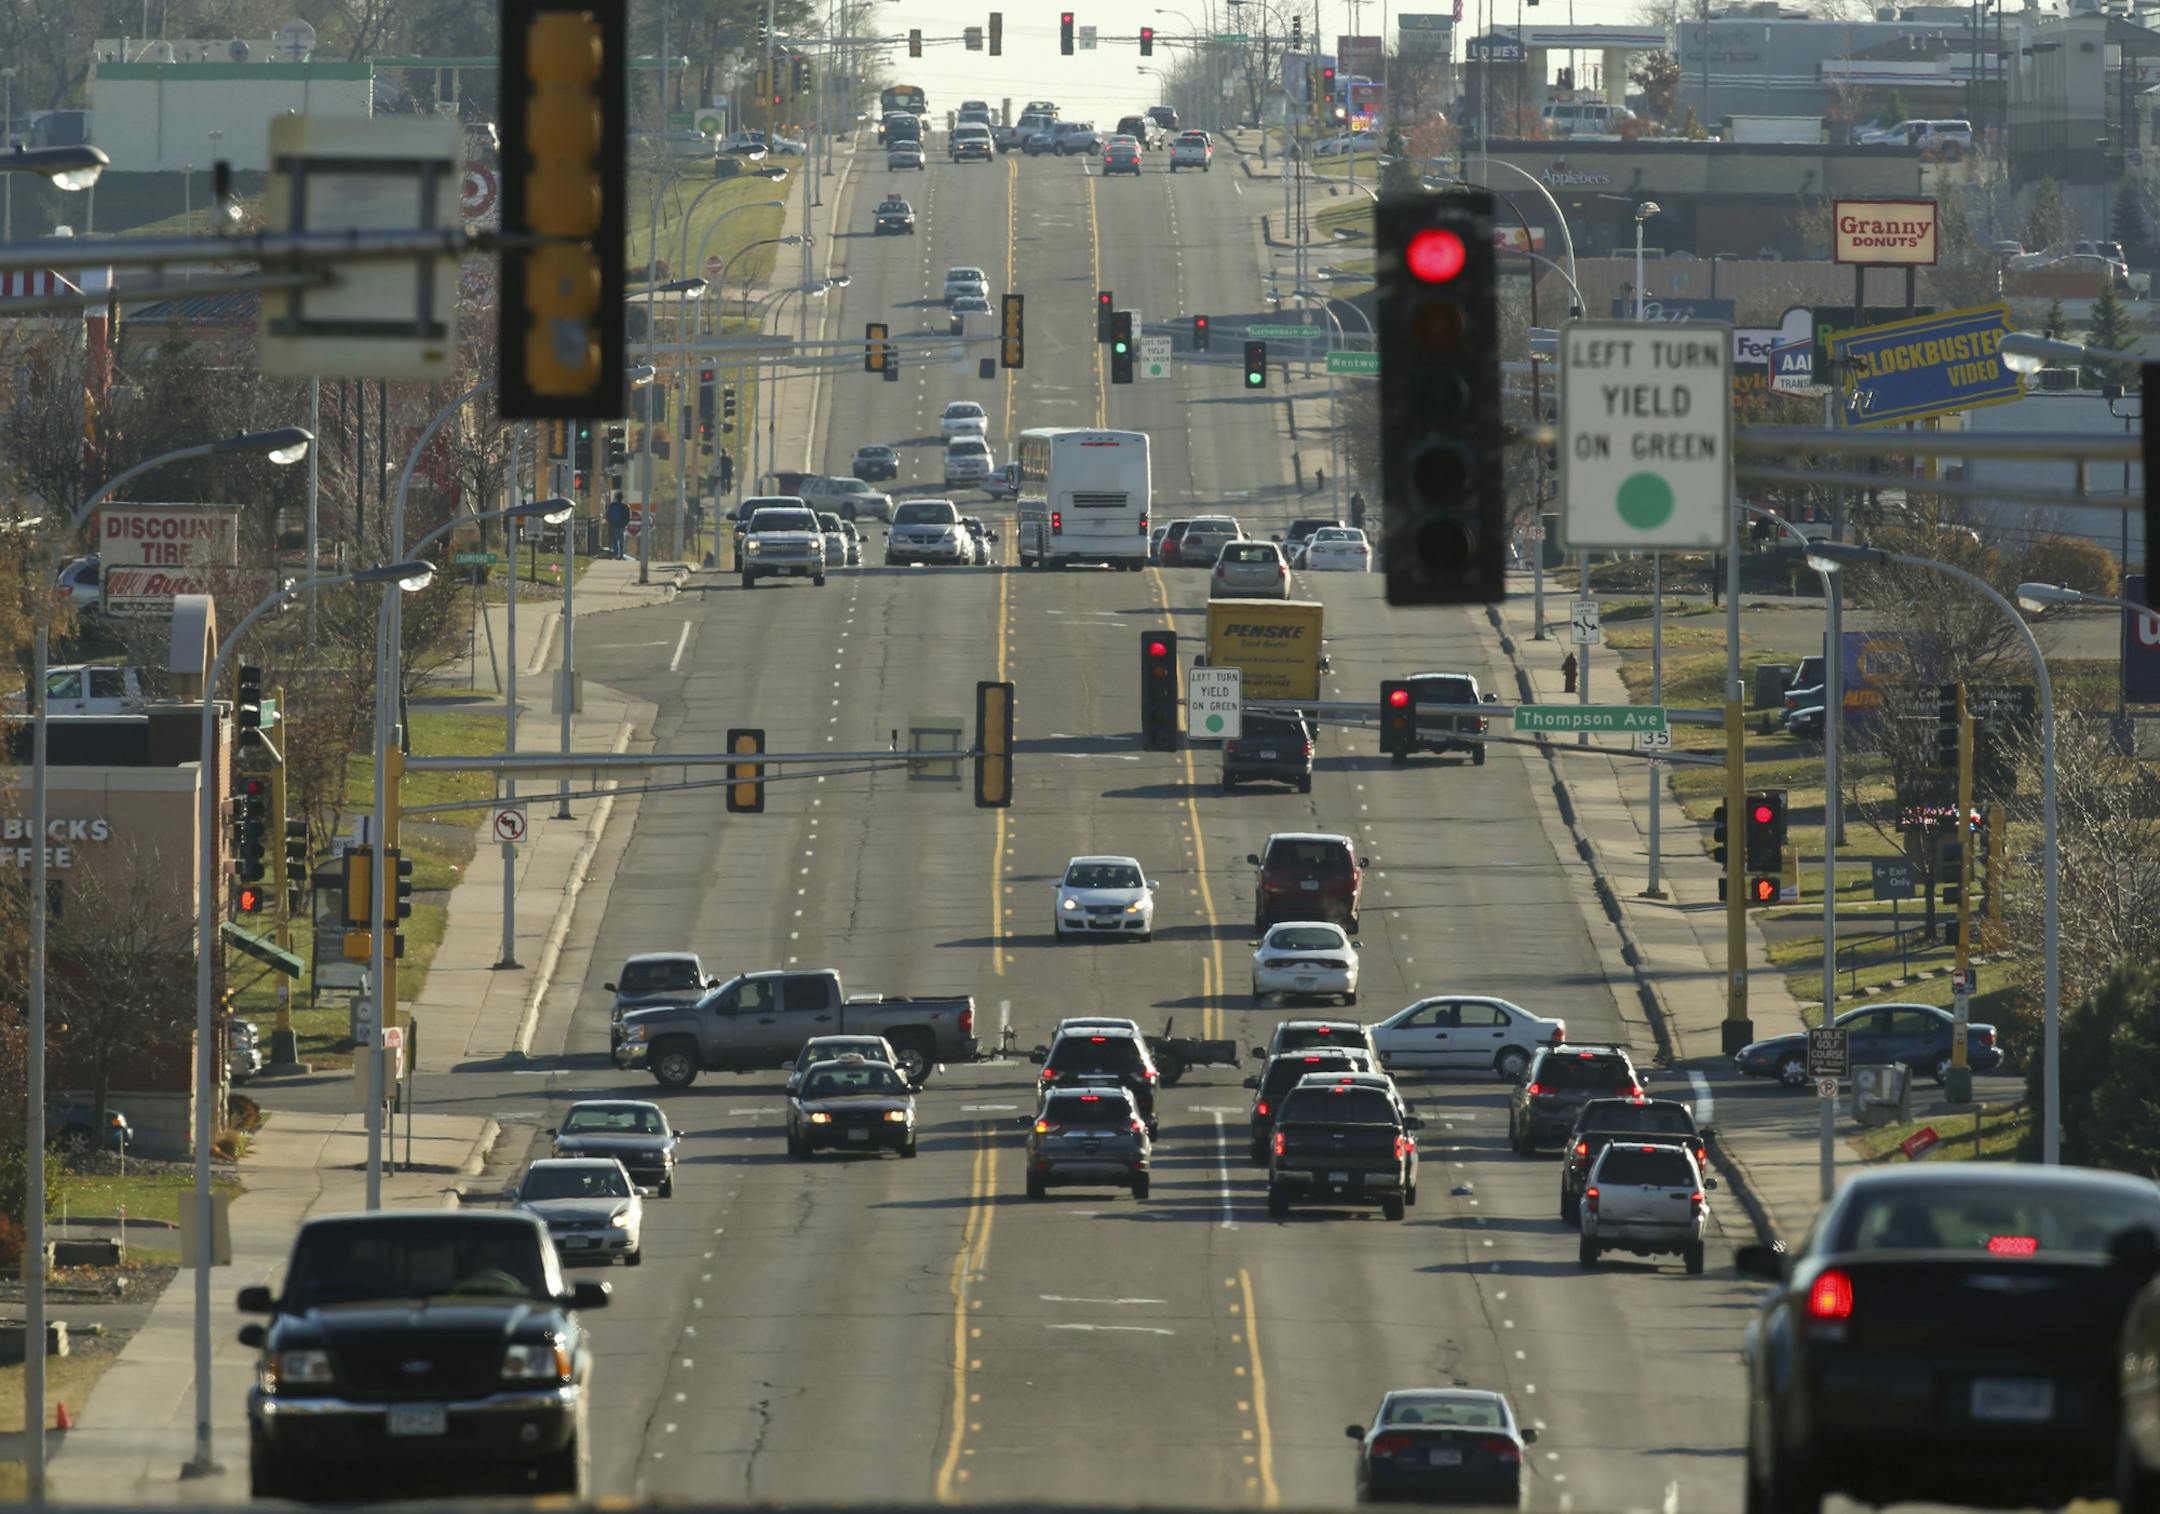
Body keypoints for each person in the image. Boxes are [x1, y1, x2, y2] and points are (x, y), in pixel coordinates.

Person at [604, 494, 630, 559]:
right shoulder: (625, 506)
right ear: (622, 499)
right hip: (622, 526)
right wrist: (625, 524)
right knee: (621, 541)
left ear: (616, 498)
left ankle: (616, 554)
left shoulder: (612, 505)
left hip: (614, 525)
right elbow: (628, 517)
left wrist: (610, 522)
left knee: (615, 540)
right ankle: (621, 555)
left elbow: (607, 515)